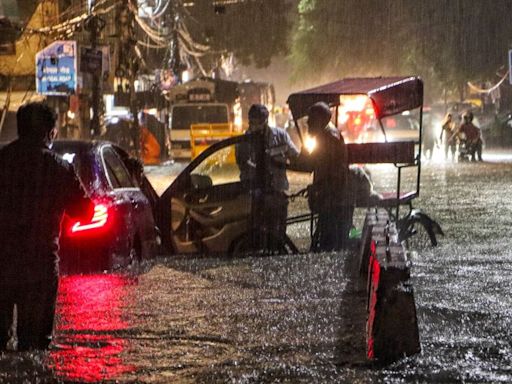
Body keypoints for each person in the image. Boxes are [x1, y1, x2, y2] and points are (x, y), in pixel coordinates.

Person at [0, 101, 92, 351]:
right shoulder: (59, 168)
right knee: (36, 346)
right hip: (39, 267)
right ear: (51, 133)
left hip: (2, 264)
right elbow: (85, 210)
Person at [236, 104, 299, 251]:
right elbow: (242, 165)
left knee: (278, 235)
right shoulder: (243, 142)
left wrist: (281, 163)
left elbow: (295, 156)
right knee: (255, 235)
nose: (255, 125)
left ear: (265, 120)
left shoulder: (281, 136)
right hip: (254, 196)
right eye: (252, 121)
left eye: (258, 121)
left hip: (277, 192)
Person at [306, 102, 351, 251]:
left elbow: (314, 164)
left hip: (334, 198)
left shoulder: (328, 138)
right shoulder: (325, 135)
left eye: (311, 120)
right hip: (329, 194)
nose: (307, 123)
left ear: (320, 120)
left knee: (328, 244)